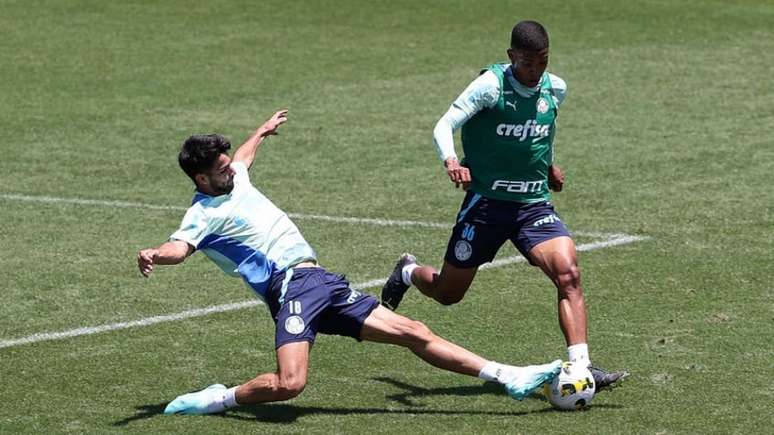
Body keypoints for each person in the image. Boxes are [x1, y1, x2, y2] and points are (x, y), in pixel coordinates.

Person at [137, 109, 562, 415]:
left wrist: (262, 131)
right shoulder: (202, 215)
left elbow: (245, 158)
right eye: (222, 169)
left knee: (414, 331)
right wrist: (156, 253)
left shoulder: (237, 176)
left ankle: (511, 377)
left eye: (229, 164)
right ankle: (220, 398)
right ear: (202, 179)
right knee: (290, 385)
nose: (232, 170)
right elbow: (180, 247)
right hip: (291, 289)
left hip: (319, 280)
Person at [380, 21, 626, 390]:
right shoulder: (490, 87)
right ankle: (409, 272)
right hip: (487, 205)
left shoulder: (555, 88)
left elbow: (541, 132)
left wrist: (548, 167)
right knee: (449, 293)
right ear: (512, 57)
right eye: (527, 63)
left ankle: (582, 367)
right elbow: (443, 125)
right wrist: (451, 161)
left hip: (532, 204)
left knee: (569, 274)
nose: (535, 71)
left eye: (541, 62)